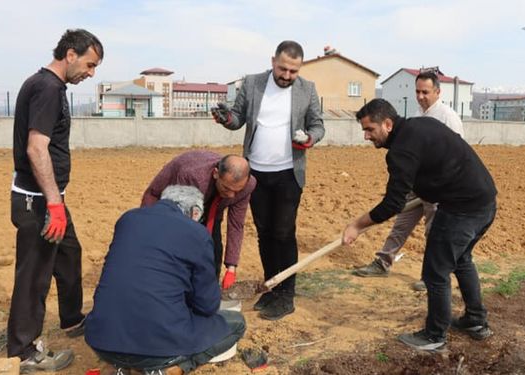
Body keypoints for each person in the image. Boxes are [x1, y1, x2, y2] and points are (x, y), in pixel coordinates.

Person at [342, 99, 497, 352]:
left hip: (461, 209)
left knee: (435, 273)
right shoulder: (422, 125)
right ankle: (475, 321)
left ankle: (434, 336)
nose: (366, 136)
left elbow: (393, 203)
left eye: (370, 129)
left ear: (388, 124)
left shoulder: (401, 150)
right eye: (364, 130)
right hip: (485, 201)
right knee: (462, 260)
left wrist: (357, 225)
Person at [8, 28, 104, 372]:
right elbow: (37, 148)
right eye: (90, 65)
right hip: (38, 202)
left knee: (69, 254)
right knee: (34, 274)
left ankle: (71, 318)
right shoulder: (48, 88)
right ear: (71, 55)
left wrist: (57, 201)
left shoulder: (50, 85)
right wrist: (53, 205)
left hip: (49, 198)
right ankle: (24, 352)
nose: (91, 73)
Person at [212, 40, 325, 320]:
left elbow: (318, 124)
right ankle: (272, 286)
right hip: (255, 174)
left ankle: (286, 294)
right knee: (264, 232)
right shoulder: (252, 83)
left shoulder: (307, 89)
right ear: (273, 61)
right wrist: (226, 118)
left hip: (289, 173)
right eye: (283, 68)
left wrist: (310, 137)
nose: (287, 75)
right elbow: (237, 118)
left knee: (283, 232)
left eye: (293, 71)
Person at [85, 185, 246, 374]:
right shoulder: (196, 233)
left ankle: (119, 366)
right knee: (236, 323)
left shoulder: (128, 219)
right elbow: (207, 306)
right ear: (195, 213)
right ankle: (170, 369)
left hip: (101, 339)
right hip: (158, 346)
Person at [352, 72, 465, 293]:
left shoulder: (448, 117)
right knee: (401, 224)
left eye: (426, 92)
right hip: (417, 185)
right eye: (417, 91)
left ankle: (430, 275)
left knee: (434, 231)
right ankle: (383, 262)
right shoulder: (417, 115)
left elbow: (457, 153)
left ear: (438, 92)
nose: (421, 96)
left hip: (438, 188)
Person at [141, 151, 255, 289]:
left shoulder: (247, 186)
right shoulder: (192, 176)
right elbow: (181, 226)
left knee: (212, 254)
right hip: (168, 203)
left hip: (212, 207)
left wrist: (231, 267)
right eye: (227, 188)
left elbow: (236, 225)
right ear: (216, 173)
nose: (231, 195)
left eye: (236, 191)